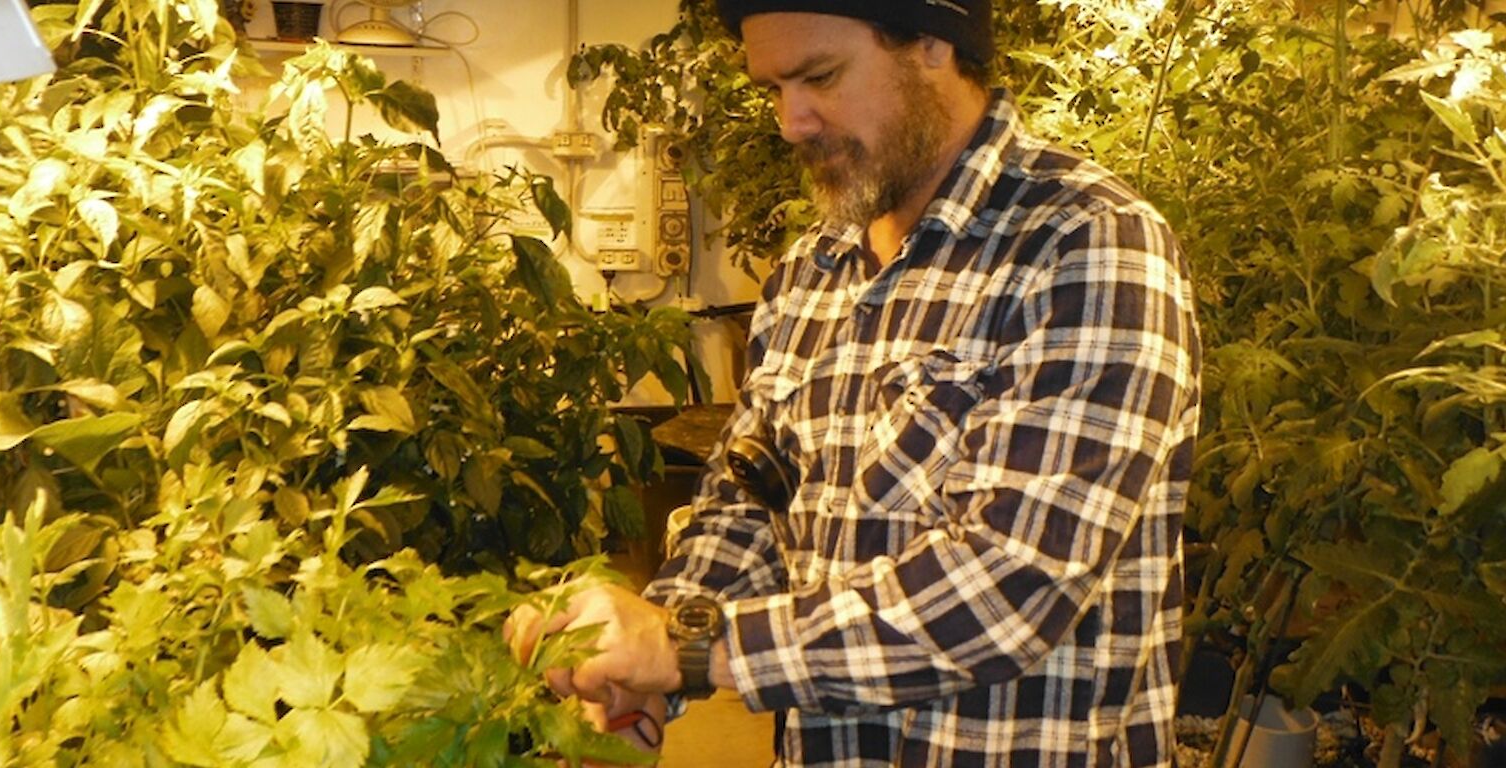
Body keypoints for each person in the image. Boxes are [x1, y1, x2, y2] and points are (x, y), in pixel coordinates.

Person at [506, 0, 1201, 764]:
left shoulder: (1087, 243)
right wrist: (651, 647)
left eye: (821, 77)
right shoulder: (814, 268)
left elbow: (1014, 584)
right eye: (772, 89)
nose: (791, 121)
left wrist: (690, 648)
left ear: (934, 44)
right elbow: (752, 505)